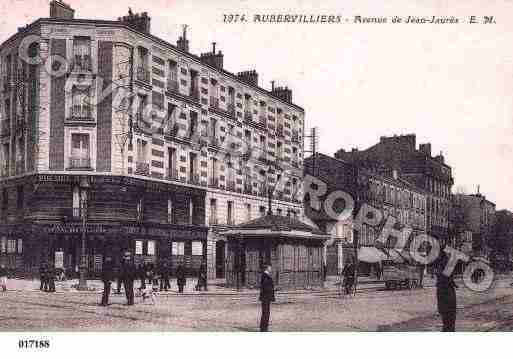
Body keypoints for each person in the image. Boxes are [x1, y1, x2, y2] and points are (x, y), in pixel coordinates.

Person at [436, 249, 458, 332]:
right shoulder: (446, 267)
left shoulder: (442, 269)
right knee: (449, 322)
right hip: (447, 296)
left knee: (447, 323)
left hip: (445, 295)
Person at [259, 264, 275, 332]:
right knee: (265, 313)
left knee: (266, 313)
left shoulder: (266, 275)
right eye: (270, 267)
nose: (271, 269)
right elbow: (265, 287)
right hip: (265, 297)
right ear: (267, 268)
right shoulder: (265, 275)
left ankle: (264, 328)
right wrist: (271, 289)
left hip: (266, 297)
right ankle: (263, 329)